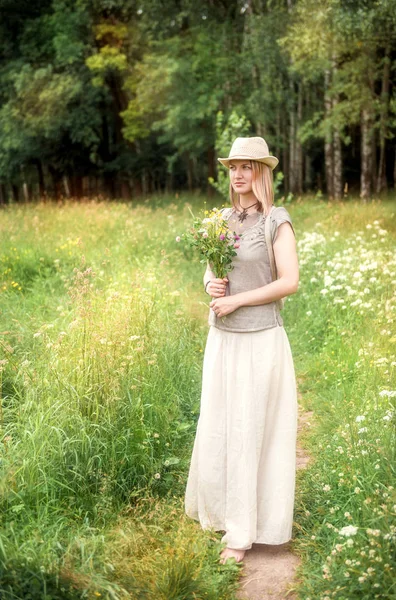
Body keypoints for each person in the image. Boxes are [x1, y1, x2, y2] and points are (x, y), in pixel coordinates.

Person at [184, 136, 299, 565]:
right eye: (233, 167)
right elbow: (212, 272)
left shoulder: (276, 221)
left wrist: (238, 300)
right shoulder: (221, 220)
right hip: (223, 339)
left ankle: (245, 532)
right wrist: (211, 287)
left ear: (262, 172)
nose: (238, 174)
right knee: (220, 425)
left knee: (252, 431)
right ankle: (224, 514)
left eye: (247, 167)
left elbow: (289, 281)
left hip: (260, 340)